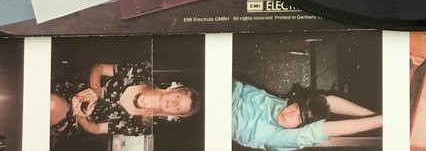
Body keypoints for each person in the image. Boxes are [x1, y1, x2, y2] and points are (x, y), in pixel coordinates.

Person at [50, 61, 199, 138]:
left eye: (178, 108)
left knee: (52, 104)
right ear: (174, 88)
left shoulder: (142, 126)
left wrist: (82, 118)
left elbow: (96, 129)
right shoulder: (142, 72)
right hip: (72, 87)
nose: (173, 103)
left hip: (74, 118)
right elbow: (99, 67)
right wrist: (95, 88)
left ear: (174, 115)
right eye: (178, 97)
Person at [231, 81, 382, 151]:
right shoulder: (284, 104)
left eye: (298, 118)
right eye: (296, 107)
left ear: (299, 128)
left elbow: (324, 130)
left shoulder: (277, 138)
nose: (290, 112)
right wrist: (373, 114)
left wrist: (384, 120)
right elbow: (328, 101)